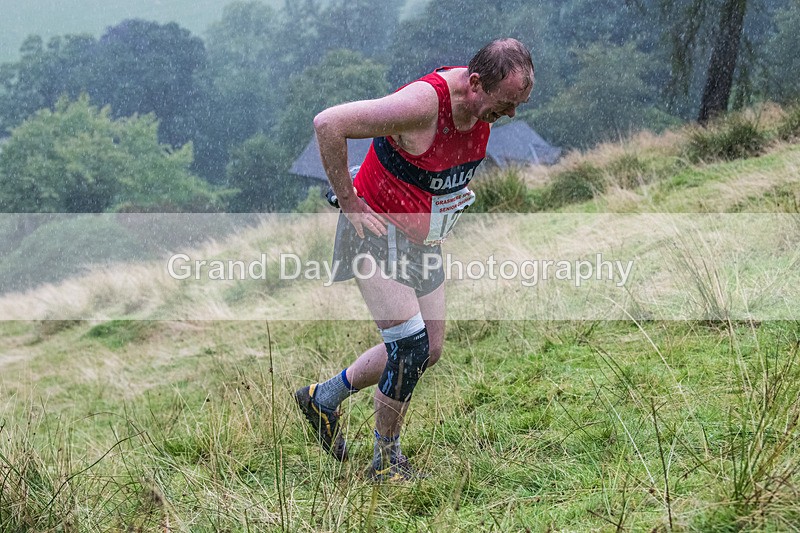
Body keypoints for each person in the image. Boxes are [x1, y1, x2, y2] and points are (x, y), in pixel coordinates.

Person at [295, 38, 534, 481]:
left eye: (517, 105)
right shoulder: (424, 105)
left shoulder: (481, 109)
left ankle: (322, 398)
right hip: (373, 231)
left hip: (420, 243)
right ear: (475, 83)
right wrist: (349, 202)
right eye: (505, 105)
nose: (511, 115)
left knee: (431, 349)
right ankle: (386, 462)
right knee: (409, 347)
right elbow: (329, 123)